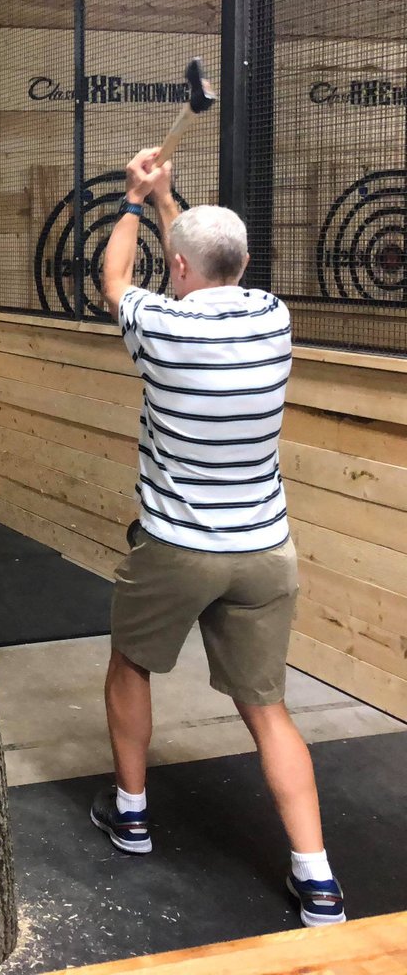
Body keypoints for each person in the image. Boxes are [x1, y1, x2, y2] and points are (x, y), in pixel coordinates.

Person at [91, 147, 345, 928]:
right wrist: (172, 199)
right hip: (267, 553)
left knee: (130, 664)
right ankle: (319, 880)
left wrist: (135, 199)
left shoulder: (160, 326)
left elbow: (114, 283)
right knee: (267, 708)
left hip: (176, 546)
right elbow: (195, 258)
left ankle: (131, 814)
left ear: (178, 265)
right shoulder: (274, 316)